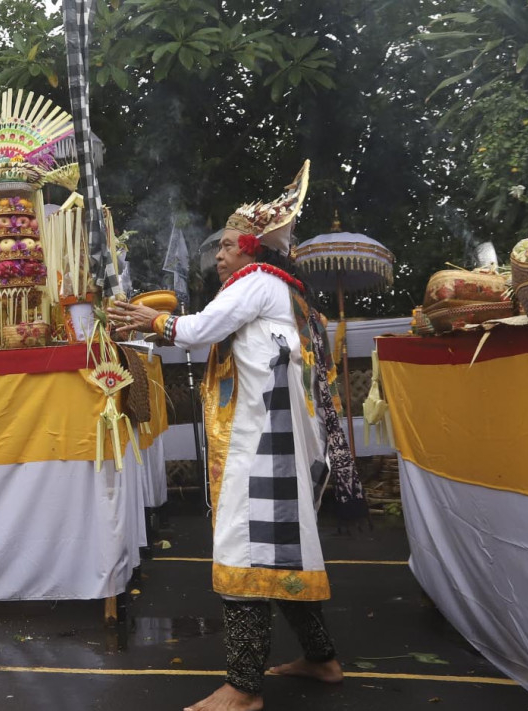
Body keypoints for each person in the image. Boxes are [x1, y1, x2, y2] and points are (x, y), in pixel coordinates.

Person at [108, 162, 365, 711]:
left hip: (265, 447)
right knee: (282, 554)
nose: (219, 255)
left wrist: (148, 320)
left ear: (252, 250)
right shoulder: (280, 290)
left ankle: (244, 688)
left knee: (246, 548)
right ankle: (322, 660)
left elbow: (199, 329)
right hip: (276, 444)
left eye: (227, 245)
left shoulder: (258, 282)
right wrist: (155, 326)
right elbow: (209, 334)